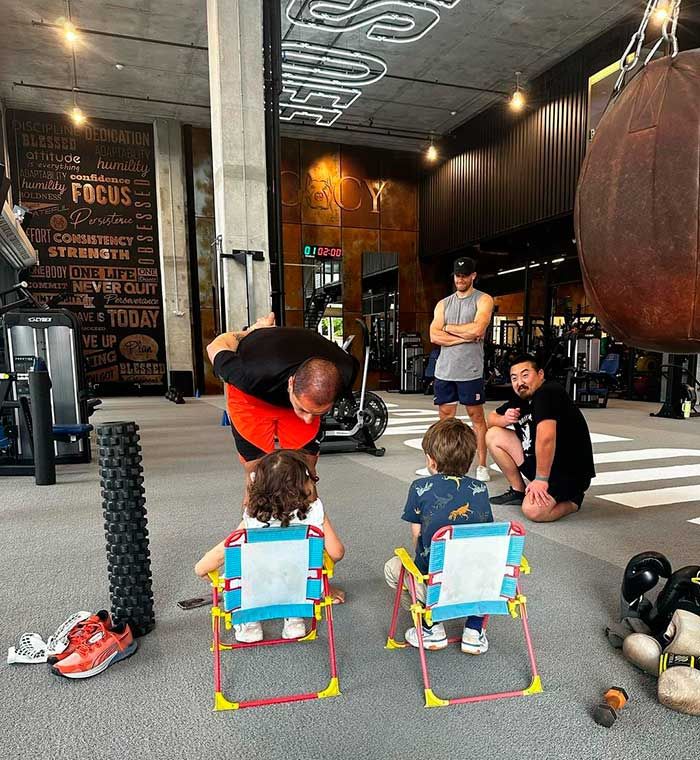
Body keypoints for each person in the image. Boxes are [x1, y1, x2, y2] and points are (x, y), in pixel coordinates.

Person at [195, 449, 345, 642]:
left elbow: (204, 567)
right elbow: (337, 552)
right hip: (300, 586)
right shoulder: (315, 512)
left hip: (257, 586)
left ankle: (249, 624)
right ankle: (294, 619)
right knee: (296, 574)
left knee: (243, 579)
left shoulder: (252, 520)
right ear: (304, 485)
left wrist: (213, 579)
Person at [207, 313, 358, 490]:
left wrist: (308, 410)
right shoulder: (249, 373)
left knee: (305, 471)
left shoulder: (345, 371)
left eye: (317, 413)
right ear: (291, 384)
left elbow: (309, 409)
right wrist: (253, 331)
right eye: (304, 410)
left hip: (297, 384)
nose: (308, 419)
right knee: (257, 474)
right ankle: (252, 514)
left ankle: (311, 513)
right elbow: (216, 345)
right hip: (253, 398)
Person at [385, 418, 494, 653]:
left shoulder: (418, 487)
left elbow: (418, 539)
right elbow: (484, 535)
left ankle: (430, 625)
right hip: (475, 583)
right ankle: (474, 631)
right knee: (483, 566)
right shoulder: (482, 490)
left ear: (431, 460)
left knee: (394, 567)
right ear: (470, 459)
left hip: (435, 582)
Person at [486, 354, 595, 522]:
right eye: (514, 378)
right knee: (494, 435)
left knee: (533, 511)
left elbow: (546, 437)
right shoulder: (522, 396)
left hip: (566, 471)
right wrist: (504, 419)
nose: (519, 382)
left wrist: (541, 480)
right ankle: (518, 491)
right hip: (541, 461)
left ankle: (574, 501)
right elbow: (490, 419)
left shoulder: (547, 393)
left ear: (540, 374)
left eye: (525, 374)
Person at [420, 254, 494, 482]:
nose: (460, 279)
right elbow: (434, 334)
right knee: (445, 417)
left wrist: (448, 329)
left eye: (464, 275)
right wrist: (464, 334)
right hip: (445, 370)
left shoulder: (483, 300)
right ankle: (441, 464)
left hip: (470, 371)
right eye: (457, 275)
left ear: (473, 276)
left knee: (476, 417)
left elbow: (478, 330)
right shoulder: (443, 303)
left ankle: (482, 465)